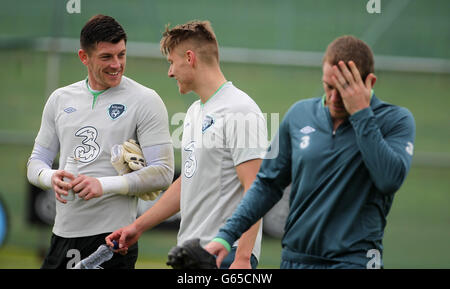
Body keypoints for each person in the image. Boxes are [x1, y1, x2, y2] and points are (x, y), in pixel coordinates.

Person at [205, 35, 416, 269]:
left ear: (369, 82)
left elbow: (389, 179)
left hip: (354, 261)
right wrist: (226, 235)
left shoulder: (395, 120)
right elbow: (267, 185)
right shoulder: (300, 114)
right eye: (328, 87)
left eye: (344, 89)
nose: (334, 98)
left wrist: (361, 114)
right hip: (296, 260)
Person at [106, 20, 268, 269]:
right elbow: (188, 182)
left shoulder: (240, 109)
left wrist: (244, 257)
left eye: (172, 62)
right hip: (190, 255)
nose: (170, 72)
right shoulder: (194, 112)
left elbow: (256, 188)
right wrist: (137, 227)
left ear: (190, 57)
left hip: (227, 256)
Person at [26, 15, 174, 269]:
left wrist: (102, 185)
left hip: (111, 239)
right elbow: (35, 162)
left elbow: (163, 172)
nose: (116, 64)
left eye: (122, 55)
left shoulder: (145, 100)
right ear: (84, 57)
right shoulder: (60, 99)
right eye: (107, 57)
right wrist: (50, 177)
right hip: (62, 236)